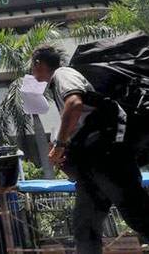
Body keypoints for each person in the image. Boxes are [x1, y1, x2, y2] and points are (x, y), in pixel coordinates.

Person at [31, 45, 149, 253]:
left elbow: (74, 104)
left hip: (106, 156)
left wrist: (60, 145)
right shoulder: (58, 83)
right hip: (91, 167)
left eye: (32, 67)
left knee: (137, 213)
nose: (32, 72)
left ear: (38, 64)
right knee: (85, 227)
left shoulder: (62, 74)